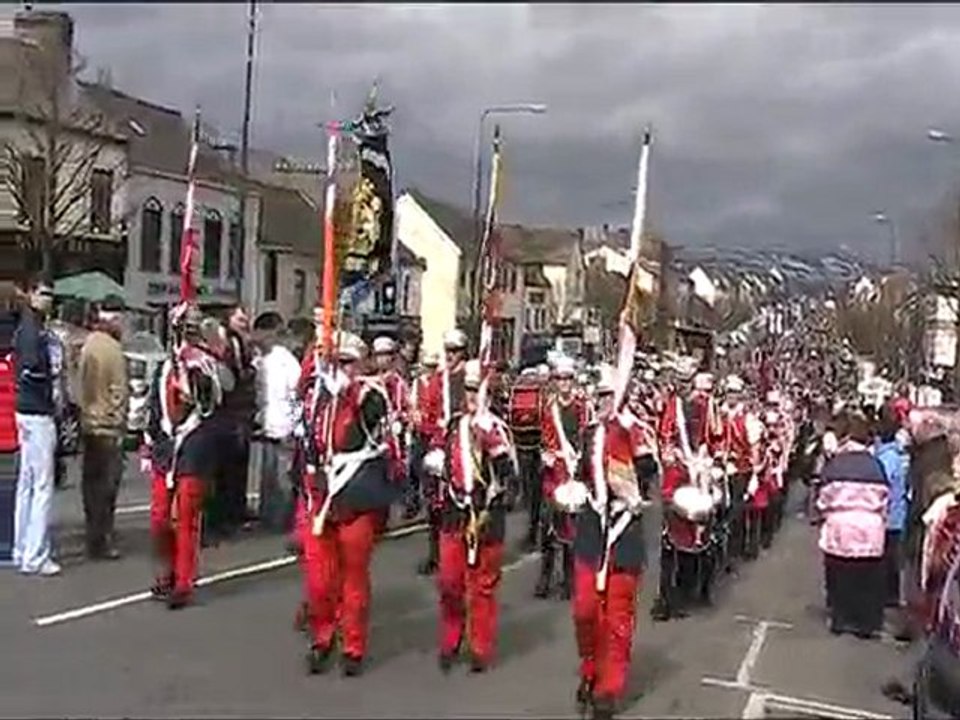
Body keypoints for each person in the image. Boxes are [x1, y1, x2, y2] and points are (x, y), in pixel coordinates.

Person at [301, 333, 399, 677]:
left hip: (356, 495)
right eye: (336, 362)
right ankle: (322, 635)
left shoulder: (371, 394)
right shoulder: (321, 396)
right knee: (320, 579)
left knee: (354, 575)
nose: (340, 369)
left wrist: (348, 389)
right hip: (321, 494)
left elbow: (374, 415)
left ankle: (353, 644)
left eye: (347, 362)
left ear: (360, 364)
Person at [568, 369, 655, 720]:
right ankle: (590, 667)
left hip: (624, 530)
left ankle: (608, 689)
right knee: (585, 610)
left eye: (608, 395)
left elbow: (647, 470)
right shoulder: (590, 432)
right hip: (593, 528)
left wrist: (628, 436)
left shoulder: (636, 429)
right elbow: (582, 474)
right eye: (599, 395)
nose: (603, 402)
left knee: (617, 619)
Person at [435, 358, 517, 674]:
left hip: (485, 515)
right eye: (469, 390)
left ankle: (480, 646)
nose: (472, 396)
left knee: (482, 585)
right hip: (455, 511)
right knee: (449, 582)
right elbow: (443, 460)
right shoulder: (454, 426)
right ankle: (451, 637)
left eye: (478, 390)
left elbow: (508, 474)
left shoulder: (496, 428)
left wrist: (490, 444)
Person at [148, 303, 225, 609]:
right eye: (179, 329)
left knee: (185, 517)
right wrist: (149, 439)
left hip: (194, 446)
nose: (182, 335)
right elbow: (155, 405)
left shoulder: (205, 365)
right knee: (159, 517)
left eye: (188, 329)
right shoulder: (164, 366)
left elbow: (209, 401)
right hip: (165, 447)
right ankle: (167, 570)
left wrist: (190, 378)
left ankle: (183, 582)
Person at [816, 411, 889, 638]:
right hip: (871, 529)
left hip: (841, 528)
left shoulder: (836, 465)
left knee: (840, 575)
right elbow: (885, 498)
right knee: (867, 578)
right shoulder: (876, 465)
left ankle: (841, 619)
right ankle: (866, 623)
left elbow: (824, 499)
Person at [12, 277, 60, 577]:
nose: (48, 299)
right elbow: (31, 369)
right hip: (38, 412)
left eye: (51, 294)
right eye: (43, 293)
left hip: (25, 411)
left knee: (27, 484)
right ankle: (35, 555)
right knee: (41, 485)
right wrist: (50, 390)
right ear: (31, 294)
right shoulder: (34, 331)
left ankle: (22, 548)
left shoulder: (28, 327)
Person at [78, 299, 129, 560]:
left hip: (89, 422)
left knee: (91, 485)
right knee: (107, 487)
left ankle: (92, 536)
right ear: (115, 319)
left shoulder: (88, 344)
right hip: (108, 426)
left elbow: (79, 384)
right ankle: (102, 539)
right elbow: (119, 391)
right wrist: (119, 421)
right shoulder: (113, 349)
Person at [535, 356, 588, 600]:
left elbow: (586, 435)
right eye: (560, 379)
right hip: (554, 471)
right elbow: (545, 438)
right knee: (548, 524)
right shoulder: (549, 407)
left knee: (571, 527)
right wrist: (546, 454)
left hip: (574, 469)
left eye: (567, 378)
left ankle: (569, 578)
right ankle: (545, 577)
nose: (564, 383)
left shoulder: (582, 406)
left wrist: (580, 459)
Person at [417, 328, 468, 576]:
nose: (450, 355)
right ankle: (434, 553)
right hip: (441, 443)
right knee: (434, 503)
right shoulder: (439, 379)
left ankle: (464, 549)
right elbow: (429, 410)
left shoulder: (470, 377)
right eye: (448, 350)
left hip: (465, 443)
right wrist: (427, 428)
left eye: (455, 351)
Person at [252, 315, 302, 531]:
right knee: (271, 477)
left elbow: (298, 397)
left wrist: (295, 427)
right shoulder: (265, 362)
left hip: (282, 427)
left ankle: (281, 522)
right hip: (272, 426)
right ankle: (271, 520)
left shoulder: (286, 363)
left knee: (281, 478)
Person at [212, 304, 257, 536]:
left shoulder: (237, 341)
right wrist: (253, 371)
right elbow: (236, 376)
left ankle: (234, 511)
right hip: (235, 411)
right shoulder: (233, 343)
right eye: (240, 319)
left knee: (234, 465)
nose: (245, 322)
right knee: (232, 466)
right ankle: (229, 515)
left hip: (237, 411)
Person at [875, 405, 910, 609]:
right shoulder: (899, 455)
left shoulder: (887, 457)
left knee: (887, 558)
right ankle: (891, 594)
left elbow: (882, 483)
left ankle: (888, 595)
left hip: (888, 516)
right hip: (897, 514)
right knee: (892, 558)